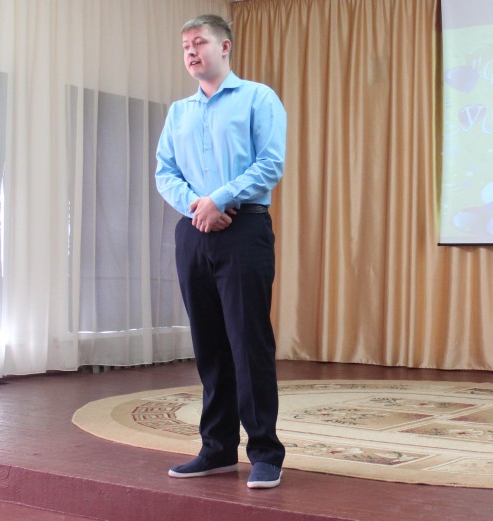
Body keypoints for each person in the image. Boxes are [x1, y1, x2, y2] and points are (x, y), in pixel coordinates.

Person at [154, 14, 286, 490]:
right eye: (185, 45)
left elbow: (270, 163)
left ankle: (265, 452)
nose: (191, 51)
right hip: (193, 230)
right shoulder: (179, 112)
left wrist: (220, 199)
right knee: (208, 344)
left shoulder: (258, 98)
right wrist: (198, 206)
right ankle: (217, 449)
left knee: (248, 343)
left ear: (225, 46)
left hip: (244, 228)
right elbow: (164, 172)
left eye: (200, 42)